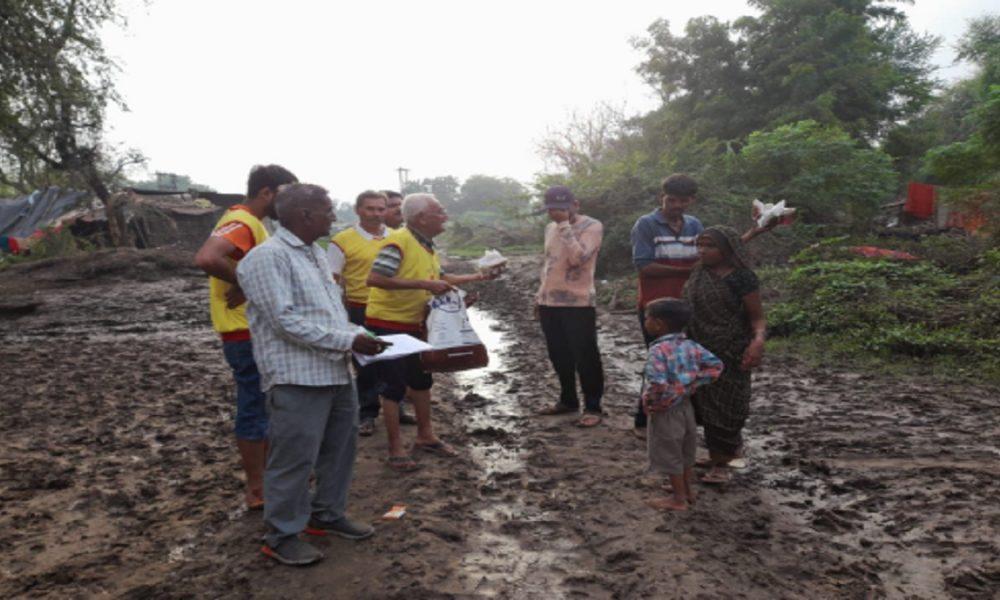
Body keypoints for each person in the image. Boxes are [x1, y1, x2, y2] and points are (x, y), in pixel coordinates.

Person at [237, 183, 388, 566]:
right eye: (326, 210)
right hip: (296, 376)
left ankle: (326, 514)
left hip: (337, 372)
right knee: (294, 459)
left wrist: (360, 337)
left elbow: (330, 313)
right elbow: (285, 322)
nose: (333, 216)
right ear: (304, 215)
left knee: (340, 450)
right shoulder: (266, 258)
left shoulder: (316, 255)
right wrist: (349, 340)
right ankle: (282, 534)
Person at [630, 174, 773, 438]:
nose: (676, 205)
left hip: (690, 306)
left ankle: (683, 419)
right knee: (659, 362)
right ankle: (644, 418)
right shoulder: (646, 225)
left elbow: (719, 247)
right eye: (671, 200)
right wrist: (691, 269)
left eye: (682, 201)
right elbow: (644, 266)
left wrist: (753, 232)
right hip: (658, 309)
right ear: (662, 197)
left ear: (691, 200)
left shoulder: (694, 224)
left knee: (687, 364)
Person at [365, 193, 495, 471]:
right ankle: (395, 448)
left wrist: (471, 282)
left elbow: (439, 279)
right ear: (421, 218)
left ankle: (426, 435)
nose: (445, 216)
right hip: (389, 323)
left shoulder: (426, 245)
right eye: (440, 211)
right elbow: (375, 278)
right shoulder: (398, 241)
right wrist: (423, 284)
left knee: (422, 381)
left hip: (415, 323)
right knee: (394, 386)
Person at [194, 164, 298, 510]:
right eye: (285, 195)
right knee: (254, 406)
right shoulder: (242, 221)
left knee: (266, 404)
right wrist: (246, 281)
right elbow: (208, 257)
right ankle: (257, 488)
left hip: (252, 328)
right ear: (266, 192)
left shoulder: (256, 225)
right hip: (243, 331)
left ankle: (268, 477)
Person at [683, 225, 766, 485]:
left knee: (727, 407)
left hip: (730, 351)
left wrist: (757, 342)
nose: (702, 250)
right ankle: (717, 454)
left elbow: (757, 317)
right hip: (700, 349)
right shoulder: (699, 273)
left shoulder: (741, 278)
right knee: (704, 405)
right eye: (700, 245)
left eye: (710, 246)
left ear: (726, 250)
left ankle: (724, 462)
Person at [640, 298, 723, 512]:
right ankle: (686, 490)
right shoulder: (691, 345)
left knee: (669, 452)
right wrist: (690, 386)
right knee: (686, 450)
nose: (645, 322)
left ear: (659, 323)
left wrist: (650, 401)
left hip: (666, 409)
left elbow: (657, 382)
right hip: (686, 407)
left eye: (647, 318)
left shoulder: (658, 351)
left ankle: (678, 499)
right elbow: (716, 366)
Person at [535, 185, 606, 427]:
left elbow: (578, 259)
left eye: (562, 208)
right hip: (549, 301)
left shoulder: (592, 226)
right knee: (558, 354)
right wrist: (539, 297)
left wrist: (565, 226)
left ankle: (593, 406)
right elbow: (549, 264)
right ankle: (568, 399)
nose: (556, 214)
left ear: (576, 204)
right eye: (552, 209)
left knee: (585, 354)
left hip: (578, 302)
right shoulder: (549, 228)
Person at [328, 191, 392, 437]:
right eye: (370, 209)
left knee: (394, 361)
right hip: (360, 308)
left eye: (380, 209)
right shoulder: (342, 240)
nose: (376, 214)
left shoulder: (397, 237)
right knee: (365, 363)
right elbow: (332, 280)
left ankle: (394, 408)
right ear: (358, 210)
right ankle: (367, 413)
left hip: (392, 308)